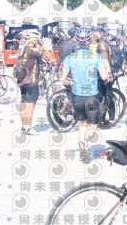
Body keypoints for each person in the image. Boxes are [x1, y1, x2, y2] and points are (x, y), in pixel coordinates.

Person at [59, 27, 108, 162]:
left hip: (77, 96)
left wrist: (71, 82)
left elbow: (62, 78)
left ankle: (83, 147)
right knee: (92, 127)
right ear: (89, 41)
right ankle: (85, 140)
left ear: (77, 41)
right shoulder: (97, 57)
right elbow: (104, 76)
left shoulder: (70, 58)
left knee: (82, 124)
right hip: (92, 96)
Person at [17, 30, 51, 135]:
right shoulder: (33, 51)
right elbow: (47, 55)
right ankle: (28, 127)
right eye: (36, 40)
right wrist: (43, 45)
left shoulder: (22, 50)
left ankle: (24, 126)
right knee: (31, 105)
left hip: (22, 81)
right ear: (32, 40)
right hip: (31, 81)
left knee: (24, 103)